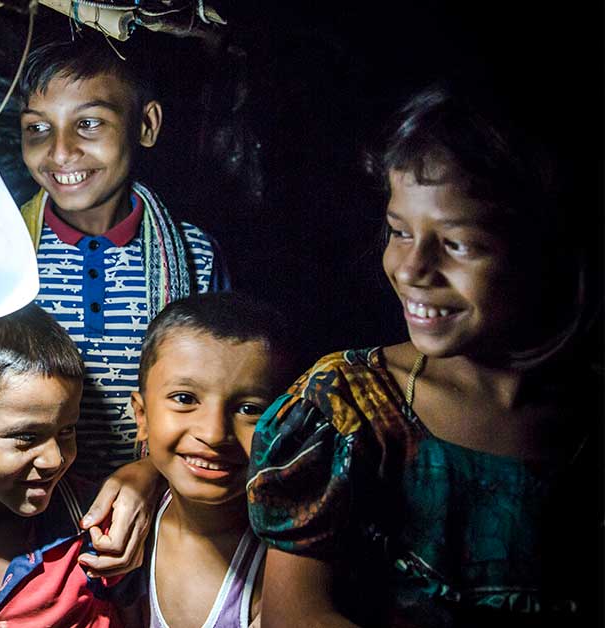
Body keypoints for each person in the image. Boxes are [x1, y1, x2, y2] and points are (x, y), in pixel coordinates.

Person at [246, 84, 602, 628]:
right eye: (398, 232)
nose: (412, 269)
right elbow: (295, 615)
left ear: (544, 251)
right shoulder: (345, 408)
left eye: (458, 244)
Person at [17, 35, 231, 485]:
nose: (59, 151)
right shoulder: (3, 248)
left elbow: (220, 394)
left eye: (89, 123)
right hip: (28, 508)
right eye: (38, 127)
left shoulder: (195, 256)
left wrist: (151, 474)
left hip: (156, 500)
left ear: (146, 125)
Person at [0, 304, 133, 627]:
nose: (55, 460)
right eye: (25, 436)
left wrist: (148, 476)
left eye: (66, 431)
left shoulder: (102, 534)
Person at [132, 293, 294, 628]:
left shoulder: (289, 569)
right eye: (185, 399)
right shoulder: (120, 533)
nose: (215, 433)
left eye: (250, 408)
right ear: (142, 415)